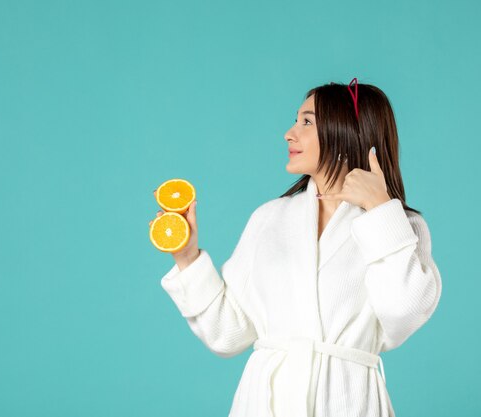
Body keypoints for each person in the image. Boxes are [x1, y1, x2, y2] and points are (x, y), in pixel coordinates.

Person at [149, 78, 442, 417]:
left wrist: (379, 211)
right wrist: (187, 258)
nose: (289, 133)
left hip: (348, 401)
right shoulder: (269, 219)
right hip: (265, 403)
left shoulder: (399, 226)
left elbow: (403, 312)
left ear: (345, 130)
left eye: (306, 122)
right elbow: (227, 334)